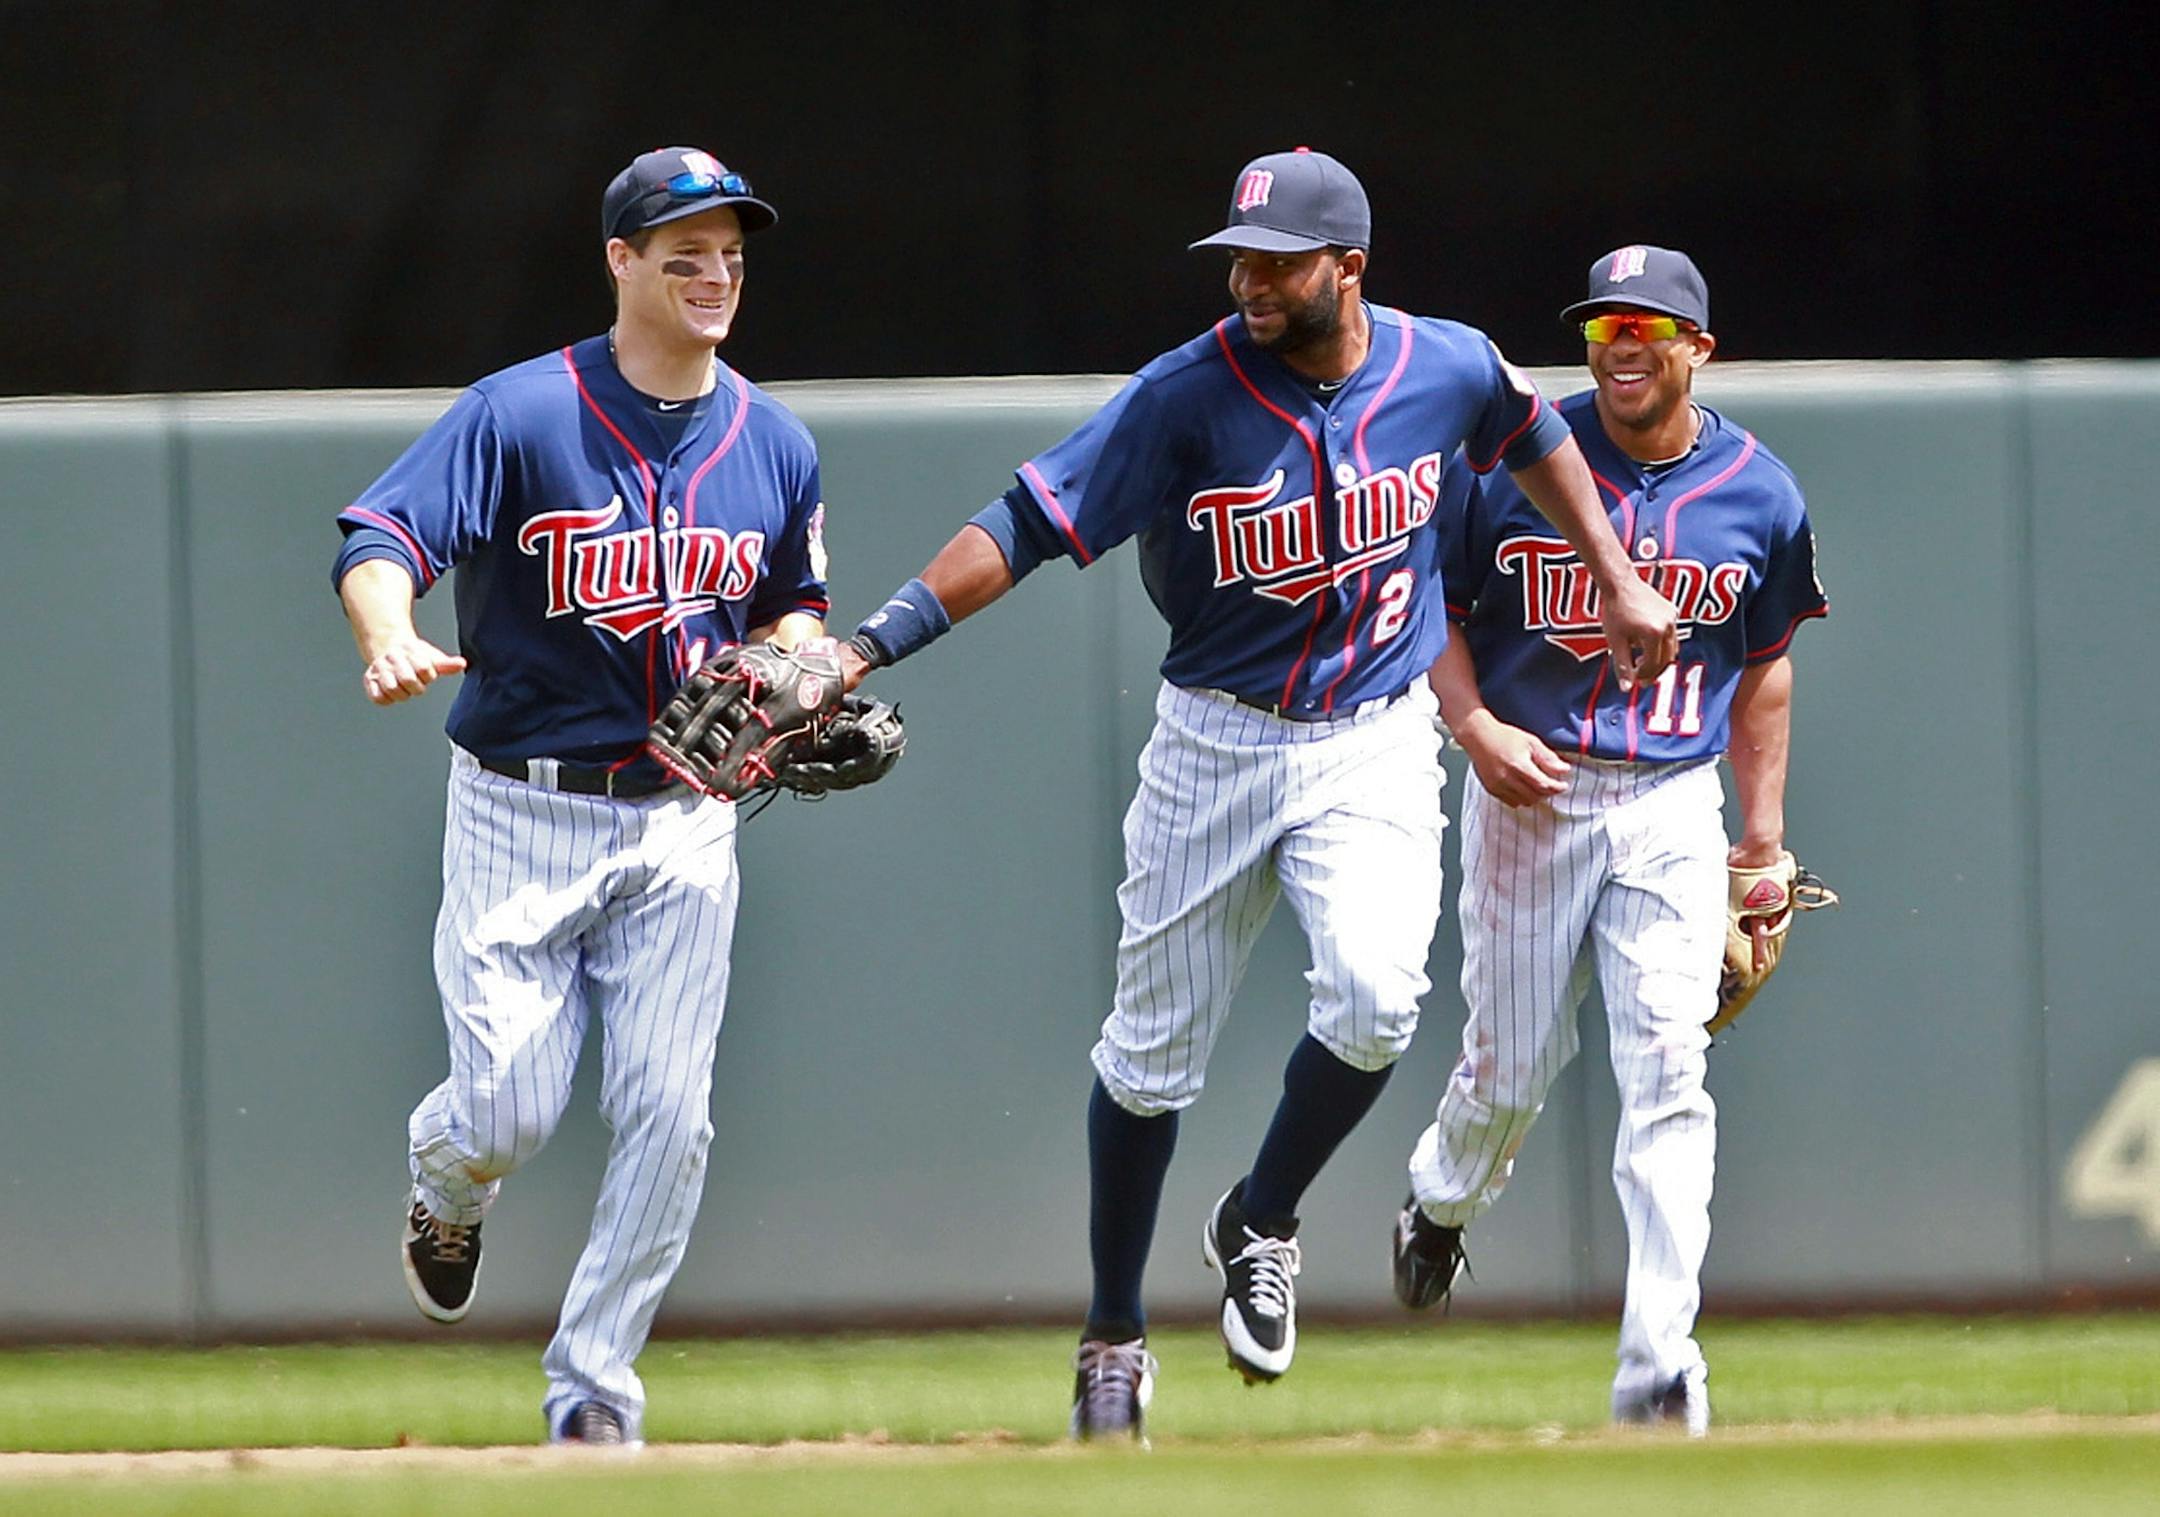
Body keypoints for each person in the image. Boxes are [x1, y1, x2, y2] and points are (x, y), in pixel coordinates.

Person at [834, 150, 1678, 1441]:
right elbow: (1024, 520)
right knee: (1151, 1054)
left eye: (1280, 259)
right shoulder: (1187, 392)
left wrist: (1613, 571)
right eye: (1240, 256)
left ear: (1350, 264)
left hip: (1375, 733)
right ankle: (1113, 1336)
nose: (1251, 280)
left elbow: (1533, 432)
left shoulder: (1441, 363)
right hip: (1215, 740)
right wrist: (864, 644)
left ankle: (1261, 1214)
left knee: (1378, 999)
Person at [331, 146, 832, 1447]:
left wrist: (794, 669)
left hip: (684, 815)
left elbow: (795, 606)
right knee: (509, 1110)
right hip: (522, 803)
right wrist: (385, 627)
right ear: (621, 260)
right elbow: (384, 536)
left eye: (730, 250)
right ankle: (449, 1183)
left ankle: (594, 1393)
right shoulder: (521, 413)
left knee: (672, 1117)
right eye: (685, 250)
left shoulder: (773, 440)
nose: (714, 270)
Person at [1390, 246, 1829, 1436]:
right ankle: (1440, 1202)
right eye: (1604, 326)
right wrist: (1471, 723)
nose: (1623, 343)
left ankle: (1659, 1367)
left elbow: (1767, 663)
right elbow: (1432, 606)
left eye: (1649, 324)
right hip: (1531, 792)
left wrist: (1763, 839)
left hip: (1671, 799)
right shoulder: (1521, 459)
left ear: (1699, 347)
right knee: (1511, 1072)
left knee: (1666, 1076)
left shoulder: (1759, 490)